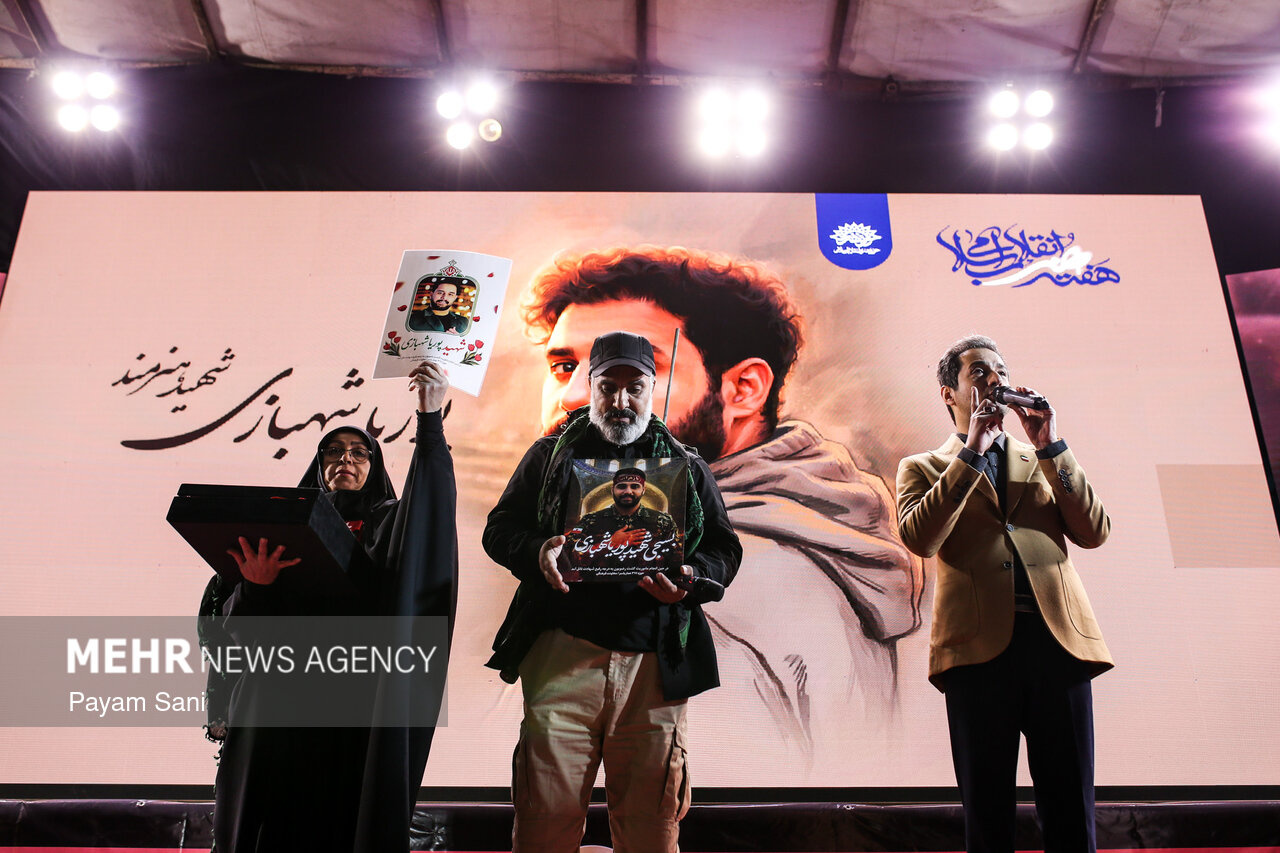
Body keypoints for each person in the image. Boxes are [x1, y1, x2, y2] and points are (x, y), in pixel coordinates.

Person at [521, 245, 922, 765]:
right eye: (563, 365)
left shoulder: (717, 590)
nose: (576, 396)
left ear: (743, 389)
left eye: (632, 373)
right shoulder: (800, 528)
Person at [483, 331, 741, 852]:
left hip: (655, 667)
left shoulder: (686, 466)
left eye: (634, 387)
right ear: (591, 386)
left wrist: (688, 580)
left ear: (652, 390)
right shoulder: (549, 457)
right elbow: (500, 529)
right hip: (561, 657)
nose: (621, 401)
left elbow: (723, 549)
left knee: (651, 827)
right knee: (544, 822)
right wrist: (537, 552)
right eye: (608, 387)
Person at [199, 360, 456, 853]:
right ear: (319, 466)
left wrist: (430, 418)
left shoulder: (390, 527)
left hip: (353, 709)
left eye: (360, 452)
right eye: (333, 451)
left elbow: (429, 516)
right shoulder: (283, 525)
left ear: (375, 466)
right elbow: (233, 633)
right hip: (276, 707)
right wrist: (257, 585)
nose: (346, 460)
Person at [895, 335, 1113, 853]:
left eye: (1001, 371)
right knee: (988, 815)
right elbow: (921, 538)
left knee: (1071, 811)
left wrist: (1051, 443)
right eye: (979, 372)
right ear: (949, 393)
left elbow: (1094, 530)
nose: (995, 380)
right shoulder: (923, 466)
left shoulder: (1042, 457)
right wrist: (971, 451)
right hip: (976, 653)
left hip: (1057, 645)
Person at [565, 467, 683, 575]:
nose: (628, 491)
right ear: (612, 490)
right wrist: (608, 544)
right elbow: (569, 556)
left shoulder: (663, 521)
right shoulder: (589, 520)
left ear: (643, 490)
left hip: (648, 586)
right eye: (622, 486)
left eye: (635, 486)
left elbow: (675, 560)